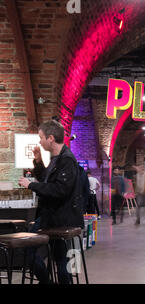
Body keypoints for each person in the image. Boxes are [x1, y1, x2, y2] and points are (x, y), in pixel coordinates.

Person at [18, 120, 84, 284]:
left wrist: (31, 185)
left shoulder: (66, 160)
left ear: (51, 138)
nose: (39, 141)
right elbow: (47, 182)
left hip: (61, 218)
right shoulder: (56, 159)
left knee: (59, 259)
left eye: (41, 137)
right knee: (34, 252)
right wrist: (38, 161)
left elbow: (59, 190)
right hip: (51, 216)